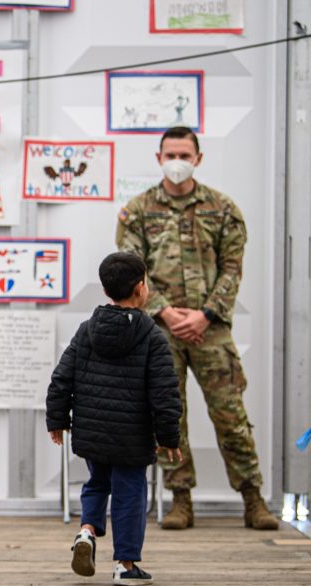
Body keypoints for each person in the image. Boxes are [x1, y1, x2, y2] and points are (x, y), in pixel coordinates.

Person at [117, 126, 278, 531]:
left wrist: (205, 314)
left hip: (211, 327)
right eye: (170, 154)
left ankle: (253, 498)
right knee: (169, 416)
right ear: (158, 158)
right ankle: (180, 499)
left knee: (231, 414)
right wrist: (167, 312)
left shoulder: (223, 208)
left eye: (185, 154)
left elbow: (233, 267)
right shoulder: (136, 211)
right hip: (159, 330)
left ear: (198, 158)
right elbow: (131, 269)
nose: (177, 161)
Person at [46, 252, 183, 586]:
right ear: (140, 288)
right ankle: (125, 564)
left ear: (107, 290)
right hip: (132, 436)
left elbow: (61, 378)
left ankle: (87, 531)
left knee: (97, 483)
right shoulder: (152, 336)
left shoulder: (87, 330)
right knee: (130, 493)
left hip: (92, 430)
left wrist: (57, 420)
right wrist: (168, 437)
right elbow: (164, 393)